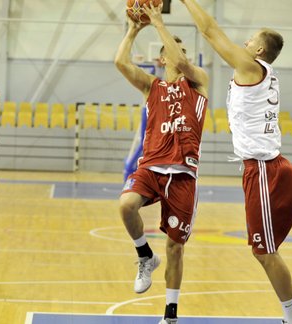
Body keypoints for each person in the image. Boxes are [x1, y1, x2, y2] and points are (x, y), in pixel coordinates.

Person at [179, 1, 292, 323]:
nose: (244, 43)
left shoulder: (252, 68)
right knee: (264, 251)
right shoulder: (256, 73)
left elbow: (210, 31)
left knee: (265, 252)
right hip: (262, 170)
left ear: (260, 50)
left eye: (250, 40)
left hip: (267, 171)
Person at [114, 3, 209, 323]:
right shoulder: (152, 86)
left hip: (183, 174)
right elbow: (119, 62)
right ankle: (144, 256)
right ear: (162, 58)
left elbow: (182, 60)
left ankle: (170, 314)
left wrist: (156, 20)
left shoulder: (197, 82)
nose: (180, 54)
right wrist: (133, 29)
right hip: (151, 166)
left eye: (181, 49)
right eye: (174, 49)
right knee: (126, 205)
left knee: (175, 248)